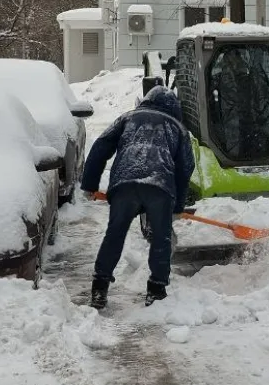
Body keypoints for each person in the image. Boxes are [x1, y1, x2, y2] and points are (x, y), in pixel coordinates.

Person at [80, 85, 195, 310]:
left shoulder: (127, 118)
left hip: (124, 185)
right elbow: (185, 168)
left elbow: (99, 148)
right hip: (159, 188)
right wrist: (177, 206)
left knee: (114, 235)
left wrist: (90, 184)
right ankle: (156, 291)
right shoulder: (178, 129)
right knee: (161, 240)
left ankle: (99, 288)